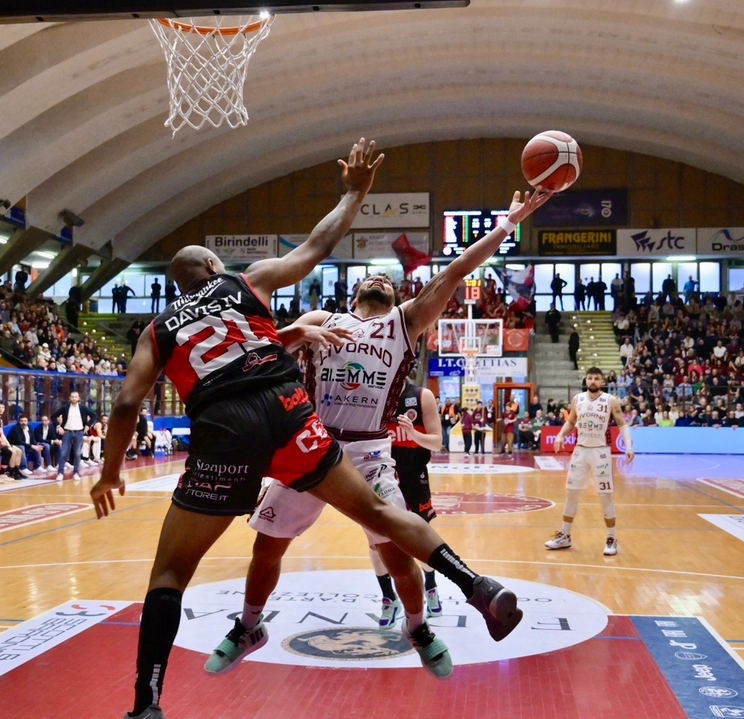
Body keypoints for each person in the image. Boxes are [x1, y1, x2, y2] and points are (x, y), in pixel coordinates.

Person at [88, 139, 525, 719]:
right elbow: (307, 267)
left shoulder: (160, 329)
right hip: (297, 419)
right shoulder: (281, 299)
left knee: (181, 569)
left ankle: (147, 704)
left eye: (385, 282)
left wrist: (109, 471)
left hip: (288, 437)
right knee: (308, 536)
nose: (378, 283)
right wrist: (350, 204)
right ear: (216, 270)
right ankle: (473, 588)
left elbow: (126, 403)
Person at [227, 183, 551, 678]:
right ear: (353, 294)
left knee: (399, 555)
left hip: (369, 455)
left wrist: (507, 224)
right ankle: (250, 624)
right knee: (266, 546)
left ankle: (417, 628)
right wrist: (296, 334)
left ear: (397, 296)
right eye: (370, 276)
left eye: (387, 278)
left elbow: (457, 269)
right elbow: (261, 356)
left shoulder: (405, 322)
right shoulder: (321, 318)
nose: (378, 277)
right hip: (312, 446)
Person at [545, 367, 633, 556]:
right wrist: (560, 435)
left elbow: (622, 423)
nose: (593, 381)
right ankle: (565, 535)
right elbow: (571, 422)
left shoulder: (610, 400)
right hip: (580, 451)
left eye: (597, 378)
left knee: (604, 496)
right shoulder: (578, 399)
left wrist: (628, 446)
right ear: (586, 380)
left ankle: (611, 538)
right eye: (590, 378)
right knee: (571, 494)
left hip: (600, 452)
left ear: (603, 381)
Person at [382, 379, 445, 618]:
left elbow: (437, 443)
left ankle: (430, 587)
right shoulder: (375, 394)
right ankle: (388, 596)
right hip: (382, 474)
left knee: (420, 537)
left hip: (413, 475)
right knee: (377, 541)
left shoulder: (421, 396)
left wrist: (413, 434)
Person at [52, 391, 95, 480]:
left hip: (79, 432)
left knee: (77, 453)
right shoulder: (65, 408)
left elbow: (94, 415)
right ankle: (60, 473)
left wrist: (88, 425)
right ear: (70, 398)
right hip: (67, 432)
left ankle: (76, 472)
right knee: (64, 453)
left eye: (75, 397)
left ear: (78, 398)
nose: (74, 398)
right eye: (72, 397)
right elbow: (53, 416)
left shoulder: (83, 408)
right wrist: (58, 426)